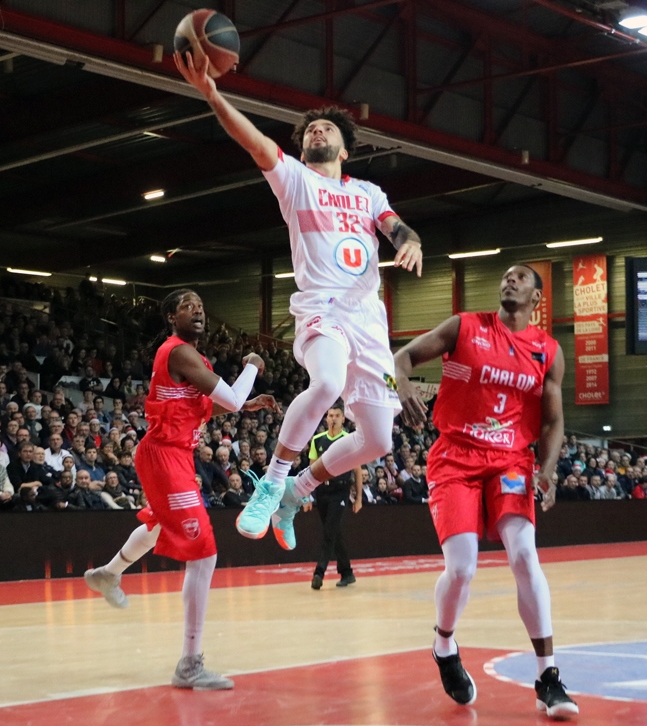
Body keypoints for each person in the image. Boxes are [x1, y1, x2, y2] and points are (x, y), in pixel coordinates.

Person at [175, 50, 422, 552]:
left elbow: (396, 226)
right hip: (321, 307)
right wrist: (212, 94)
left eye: (327, 129)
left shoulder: (370, 192)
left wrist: (409, 241)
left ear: (344, 148)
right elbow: (254, 140)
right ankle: (271, 481)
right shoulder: (295, 181)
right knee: (327, 380)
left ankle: (297, 490)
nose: (317, 133)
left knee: (378, 440)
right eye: (311, 129)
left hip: (368, 318)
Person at [394, 264, 577, 718]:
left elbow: (553, 422)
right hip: (455, 455)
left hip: (512, 460)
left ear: (537, 299)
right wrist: (401, 385)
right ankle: (444, 644)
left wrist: (548, 469)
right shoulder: (465, 326)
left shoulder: (549, 352)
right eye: (506, 275)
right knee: (461, 569)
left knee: (523, 555)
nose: (509, 280)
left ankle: (548, 677)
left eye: (521, 278)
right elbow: (402, 357)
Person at [82, 289, 275, 690]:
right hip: (165, 456)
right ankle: (190, 664)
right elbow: (232, 397)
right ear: (171, 317)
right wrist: (253, 365)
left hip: (171, 455)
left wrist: (248, 403)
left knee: (158, 527)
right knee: (204, 552)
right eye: (188, 306)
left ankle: (107, 573)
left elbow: (205, 406)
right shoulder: (178, 352)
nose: (198, 310)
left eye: (202, 306)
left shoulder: (193, 360)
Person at [304, 405, 363, 589]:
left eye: (337, 415)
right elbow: (310, 471)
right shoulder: (317, 440)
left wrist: (359, 498)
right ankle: (347, 572)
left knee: (329, 532)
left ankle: (319, 573)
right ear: (326, 418)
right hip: (322, 491)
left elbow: (358, 471)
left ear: (343, 419)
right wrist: (307, 495)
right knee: (333, 532)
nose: (333, 418)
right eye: (330, 415)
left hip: (341, 491)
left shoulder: (349, 439)